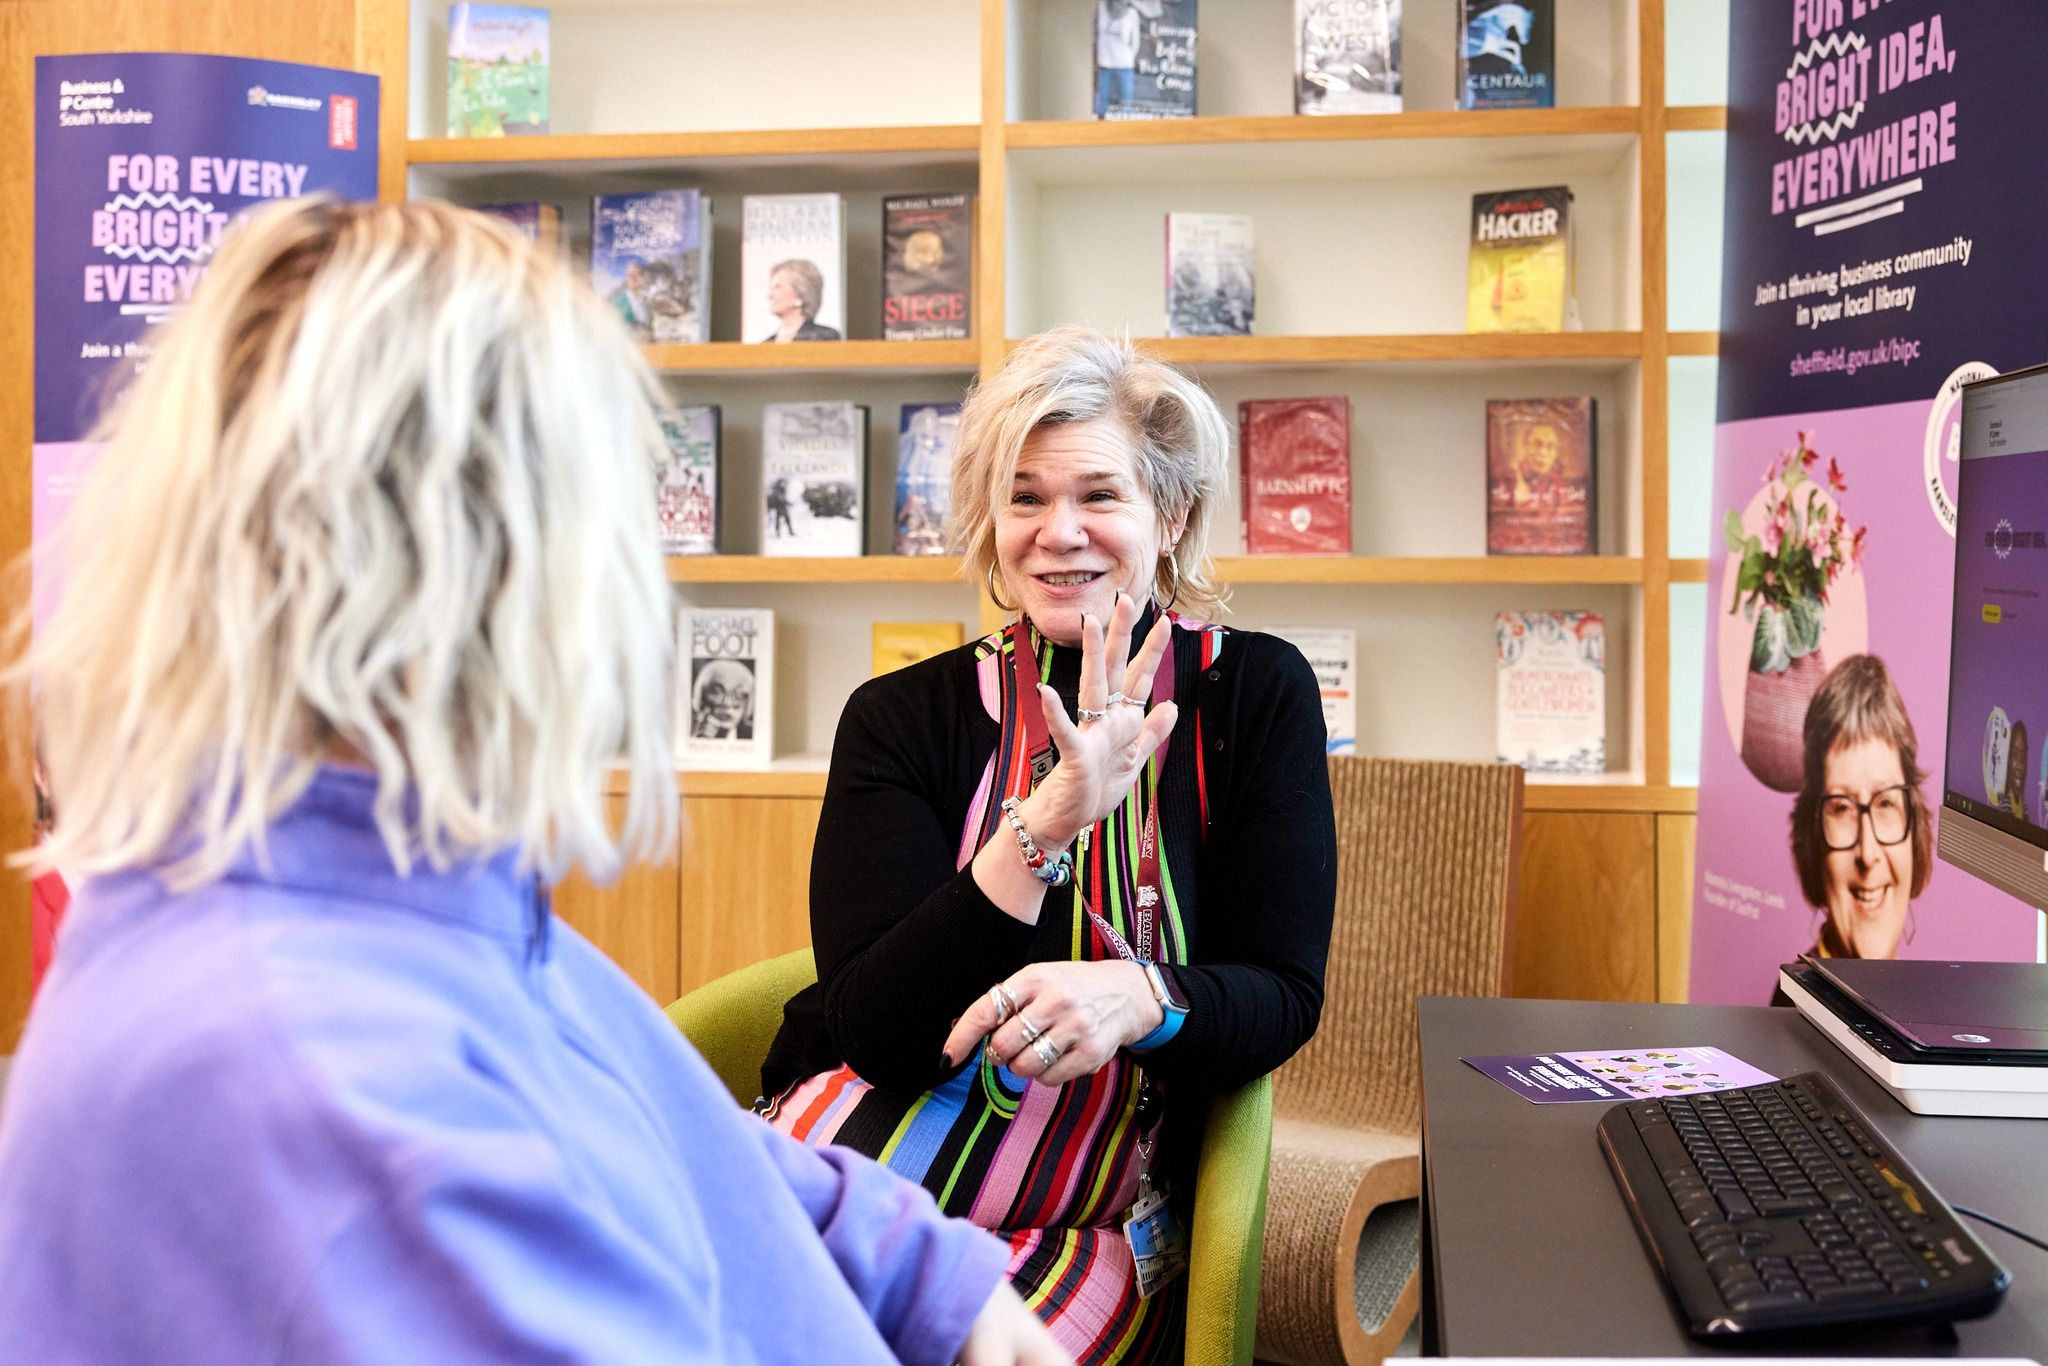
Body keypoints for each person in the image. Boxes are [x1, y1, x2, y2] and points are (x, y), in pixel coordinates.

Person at [0, 198, 1066, 1366]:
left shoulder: (386, 895)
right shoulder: (332, 1090)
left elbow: (665, 1131)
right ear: (505, 567)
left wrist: (935, 1284)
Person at [758, 325, 1337, 1362]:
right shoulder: (900, 716)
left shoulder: (1254, 693)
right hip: (848, 1172)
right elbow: (874, 1032)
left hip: (1076, 1219)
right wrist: (1048, 821)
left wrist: (1138, 999)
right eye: (1024, 498)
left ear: (1168, 515)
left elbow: (1281, 993)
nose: (1056, 532)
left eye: (1097, 496)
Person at [1786, 654, 1934, 965]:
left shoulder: (1909, 999)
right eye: (1841, 809)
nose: (1868, 854)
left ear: (1916, 829)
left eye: (1885, 803)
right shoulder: (1794, 1007)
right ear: (1811, 841)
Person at [761, 258, 842, 342]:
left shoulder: (823, 337)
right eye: (771, 288)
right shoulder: (765, 344)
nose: (769, 295)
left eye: (778, 287)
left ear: (800, 293)